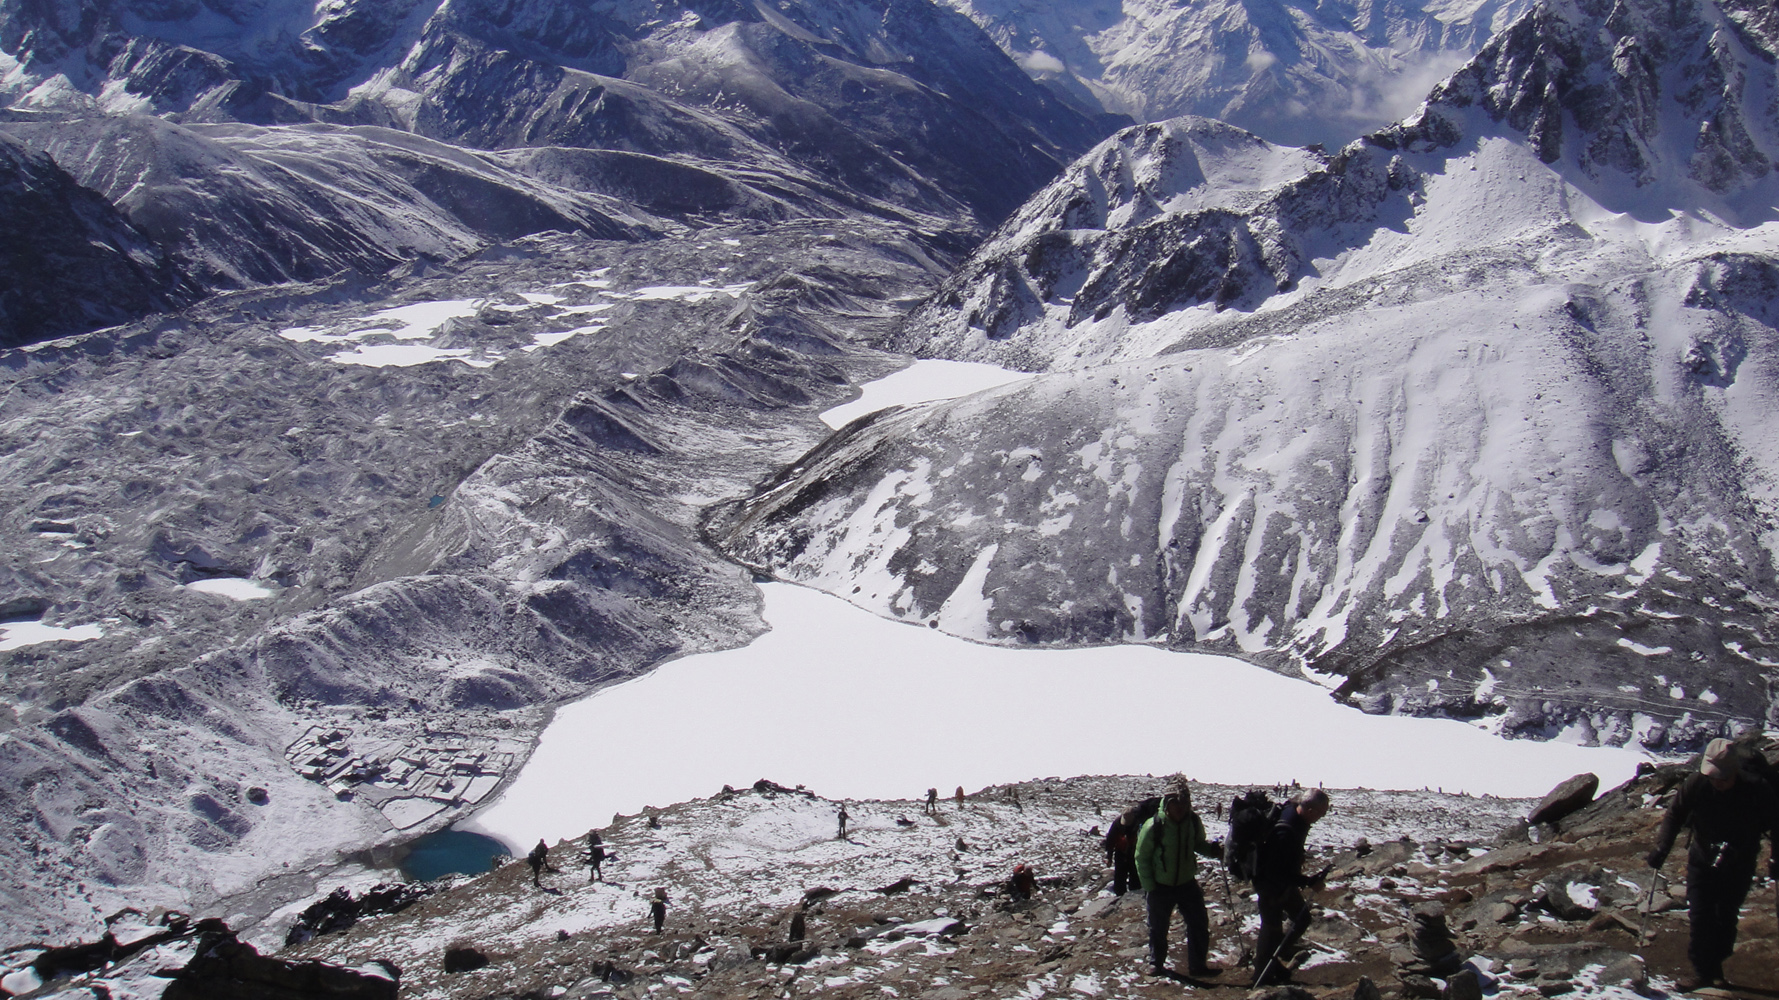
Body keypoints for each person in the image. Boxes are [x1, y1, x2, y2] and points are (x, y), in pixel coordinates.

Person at [1647, 738, 1779, 991]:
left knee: (1725, 916)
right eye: (1713, 777)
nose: (1716, 783)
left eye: (1722, 778)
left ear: (1734, 772)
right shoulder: (1697, 783)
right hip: (1702, 856)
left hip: (1739, 860)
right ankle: (1703, 972)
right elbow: (1675, 814)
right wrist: (1662, 847)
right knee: (1699, 916)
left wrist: (1776, 858)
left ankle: (1715, 965)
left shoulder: (1757, 788)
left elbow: (1777, 823)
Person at [1136, 782, 1222, 979]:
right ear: (1167, 804)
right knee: (1158, 927)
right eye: (1177, 804)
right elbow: (1142, 857)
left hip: (1186, 882)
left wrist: (1212, 851)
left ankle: (1197, 966)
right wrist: (1150, 886)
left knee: (1199, 922)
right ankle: (1156, 963)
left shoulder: (1192, 822)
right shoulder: (1154, 826)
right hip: (1160, 886)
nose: (1182, 809)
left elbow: (1198, 844)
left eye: (1185, 804)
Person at [1253, 788, 1330, 986]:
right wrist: (1308, 881)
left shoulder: (1295, 816)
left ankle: (1273, 959)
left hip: (1283, 882)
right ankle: (1262, 975)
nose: (1320, 818)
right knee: (1271, 928)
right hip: (1270, 885)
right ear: (1311, 810)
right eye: (1321, 814)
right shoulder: (1286, 830)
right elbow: (1276, 870)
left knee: (1301, 918)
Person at [1103, 797, 1160, 896]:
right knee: (1119, 878)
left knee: (1135, 878)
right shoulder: (1117, 823)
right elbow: (1110, 840)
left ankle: (1134, 896)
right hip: (1121, 854)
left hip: (1134, 853)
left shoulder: (1140, 822)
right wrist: (1109, 857)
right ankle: (1120, 896)